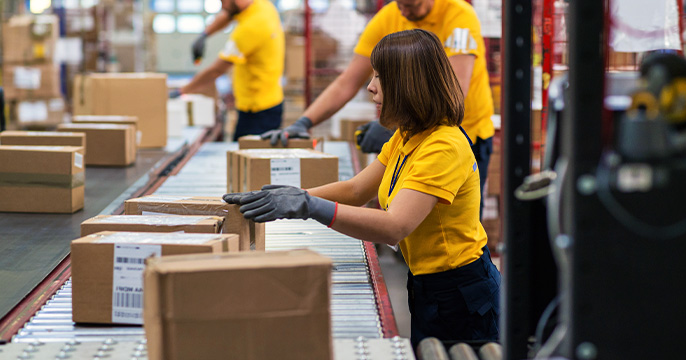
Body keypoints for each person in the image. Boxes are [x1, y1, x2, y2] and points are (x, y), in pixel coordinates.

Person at [224, 29, 500, 348]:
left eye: (380, 77)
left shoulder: (443, 147)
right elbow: (358, 189)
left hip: (462, 293)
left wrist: (309, 208)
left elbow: (394, 226)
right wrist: (292, 196)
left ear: (408, 84)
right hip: (427, 283)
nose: (370, 87)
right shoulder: (408, 135)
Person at [261, 0, 496, 202]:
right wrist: (304, 121)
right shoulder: (390, 15)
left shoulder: (459, 16)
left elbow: (453, 89)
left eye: (409, 5)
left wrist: (392, 124)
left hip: (467, 131)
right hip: (416, 132)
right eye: (398, 3)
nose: (402, 12)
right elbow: (348, 81)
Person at [178, 0, 284, 140]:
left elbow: (216, 70)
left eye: (224, 1)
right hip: (266, 101)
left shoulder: (251, 28)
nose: (222, 7)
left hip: (258, 110)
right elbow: (228, 14)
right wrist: (204, 35)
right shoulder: (260, 6)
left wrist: (182, 91)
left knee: (245, 156)